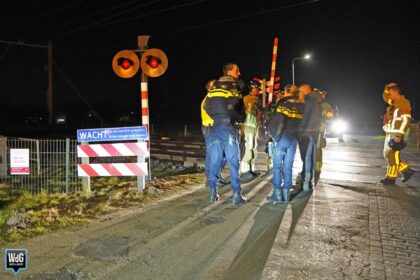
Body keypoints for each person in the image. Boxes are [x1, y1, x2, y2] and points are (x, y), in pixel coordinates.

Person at [203, 63, 246, 206]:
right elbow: (236, 106)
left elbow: (206, 106)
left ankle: (213, 193)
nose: (239, 73)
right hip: (229, 127)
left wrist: (217, 117)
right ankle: (236, 194)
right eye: (237, 71)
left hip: (216, 128)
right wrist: (238, 118)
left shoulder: (214, 88)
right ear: (230, 73)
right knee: (234, 162)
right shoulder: (234, 87)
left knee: (215, 160)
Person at [266, 85, 303, 203]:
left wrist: (275, 138)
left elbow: (279, 123)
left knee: (277, 167)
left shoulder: (284, 105)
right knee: (288, 167)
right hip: (293, 140)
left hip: (283, 138)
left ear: (287, 92)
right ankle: (286, 195)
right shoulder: (302, 107)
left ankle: (277, 194)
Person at [380, 83, 415, 185]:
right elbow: (385, 97)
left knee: (392, 155)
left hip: (397, 134)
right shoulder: (393, 102)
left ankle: (391, 178)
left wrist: (400, 136)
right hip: (390, 132)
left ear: (396, 92)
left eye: (390, 93)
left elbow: (406, 120)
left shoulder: (403, 103)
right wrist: (387, 88)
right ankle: (406, 171)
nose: (388, 96)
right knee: (387, 154)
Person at [297, 84, 323, 190]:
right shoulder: (318, 100)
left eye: (300, 92)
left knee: (306, 157)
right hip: (315, 131)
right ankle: (308, 179)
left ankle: (306, 183)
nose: (299, 94)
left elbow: (305, 116)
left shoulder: (308, 99)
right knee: (311, 157)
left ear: (305, 91)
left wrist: (300, 130)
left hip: (307, 131)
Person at [240, 80, 261, 177]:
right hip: (247, 126)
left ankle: (252, 167)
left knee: (254, 146)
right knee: (248, 146)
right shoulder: (245, 99)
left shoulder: (258, 100)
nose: (257, 91)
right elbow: (241, 112)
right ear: (251, 89)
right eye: (256, 88)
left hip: (255, 127)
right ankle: (245, 168)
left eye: (258, 89)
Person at [314, 90, 334, 183]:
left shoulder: (326, 105)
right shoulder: (310, 103)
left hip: (319, 130)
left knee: (318, 151)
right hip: (309, 130)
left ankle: (317, 170)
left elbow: (330, 115)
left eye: (321, 95)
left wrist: (322, 113)